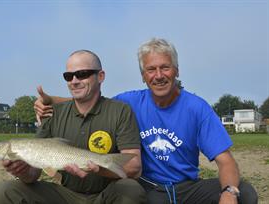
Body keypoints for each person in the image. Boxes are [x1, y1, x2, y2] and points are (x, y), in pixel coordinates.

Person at [34, 38, 258, 204]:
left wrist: (229, 192)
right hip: (148, 187)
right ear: (143, 76)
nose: (158, 75)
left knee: (245, 193)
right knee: (128, 191)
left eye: (165, 67)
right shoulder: (129, 102)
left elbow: (226, 161)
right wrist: (50, 101)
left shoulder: (196, 108)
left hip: (187, 188)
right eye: (151, 69)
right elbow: (92, 100)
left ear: (176, 71)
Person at [0, 50, 147, 204]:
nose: (74, 81)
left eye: (82, 74)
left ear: (100, 76)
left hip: (106, 194)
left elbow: (134, 168)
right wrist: (23, 171)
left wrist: (98, 168)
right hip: (65, 194)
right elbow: (33, 175)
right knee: (5, 191)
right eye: (68, 76)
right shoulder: (52, 113)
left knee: (131, 189)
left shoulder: (120, 110)